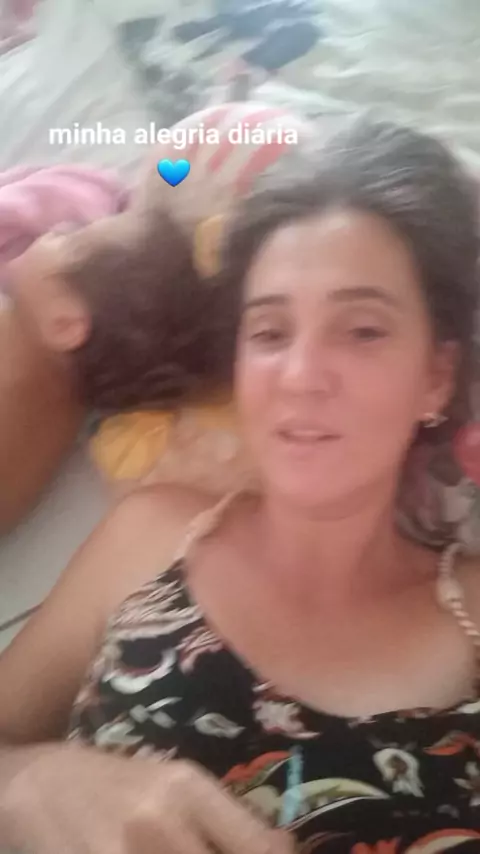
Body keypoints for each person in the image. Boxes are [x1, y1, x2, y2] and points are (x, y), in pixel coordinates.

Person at [1, 115, 480, 853]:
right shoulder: (148, 536)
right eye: (269, 333)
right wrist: (31, 779)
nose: (299, 376)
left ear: (437, 377)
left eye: (362, 330)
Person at [0, 101, 310, 534]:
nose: (56, 227)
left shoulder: (19, 345)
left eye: (68, 237)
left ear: (66, 324)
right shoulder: (67, 405)